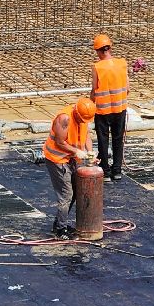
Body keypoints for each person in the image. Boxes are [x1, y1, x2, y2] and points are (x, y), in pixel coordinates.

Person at [42, 97, 95, 237]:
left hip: (71, 159)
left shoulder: (83, 118)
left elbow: (86, 135)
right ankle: (60, 230)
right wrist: (77, 151)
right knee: (66, 195)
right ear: (76, 113)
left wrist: (89, 151)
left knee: (75, 192)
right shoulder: (64, 119)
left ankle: (59, 223)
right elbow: (60, 142)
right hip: (57, 159)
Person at [90, 33, 130, 181]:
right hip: (120, 109)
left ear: (99, 51)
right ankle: (117, 171)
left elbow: (94, 90)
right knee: (118, 139)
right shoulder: (122, 63)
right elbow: (127, 88)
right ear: (110, 48)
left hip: (102, 110)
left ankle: (105, 172)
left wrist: (90, 103)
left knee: (103, 140)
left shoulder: (97, 67)